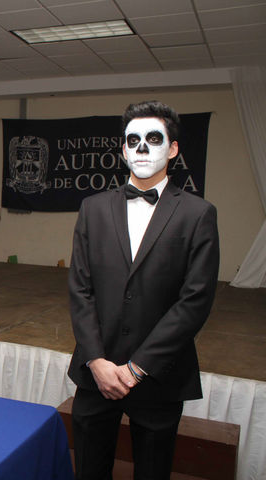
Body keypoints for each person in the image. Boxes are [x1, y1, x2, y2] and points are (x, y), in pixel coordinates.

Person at [67, 101, 220, 479]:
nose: (141, 148)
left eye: (153, 139)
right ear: (123, 149)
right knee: (88, 470)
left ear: (173, 149)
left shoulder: (198, 214)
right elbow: (80, 289)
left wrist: (137, 368)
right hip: (97, 374)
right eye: (132, 140)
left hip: (159, 375)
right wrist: (97, 361)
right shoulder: (92, 208)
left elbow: (195, 300)